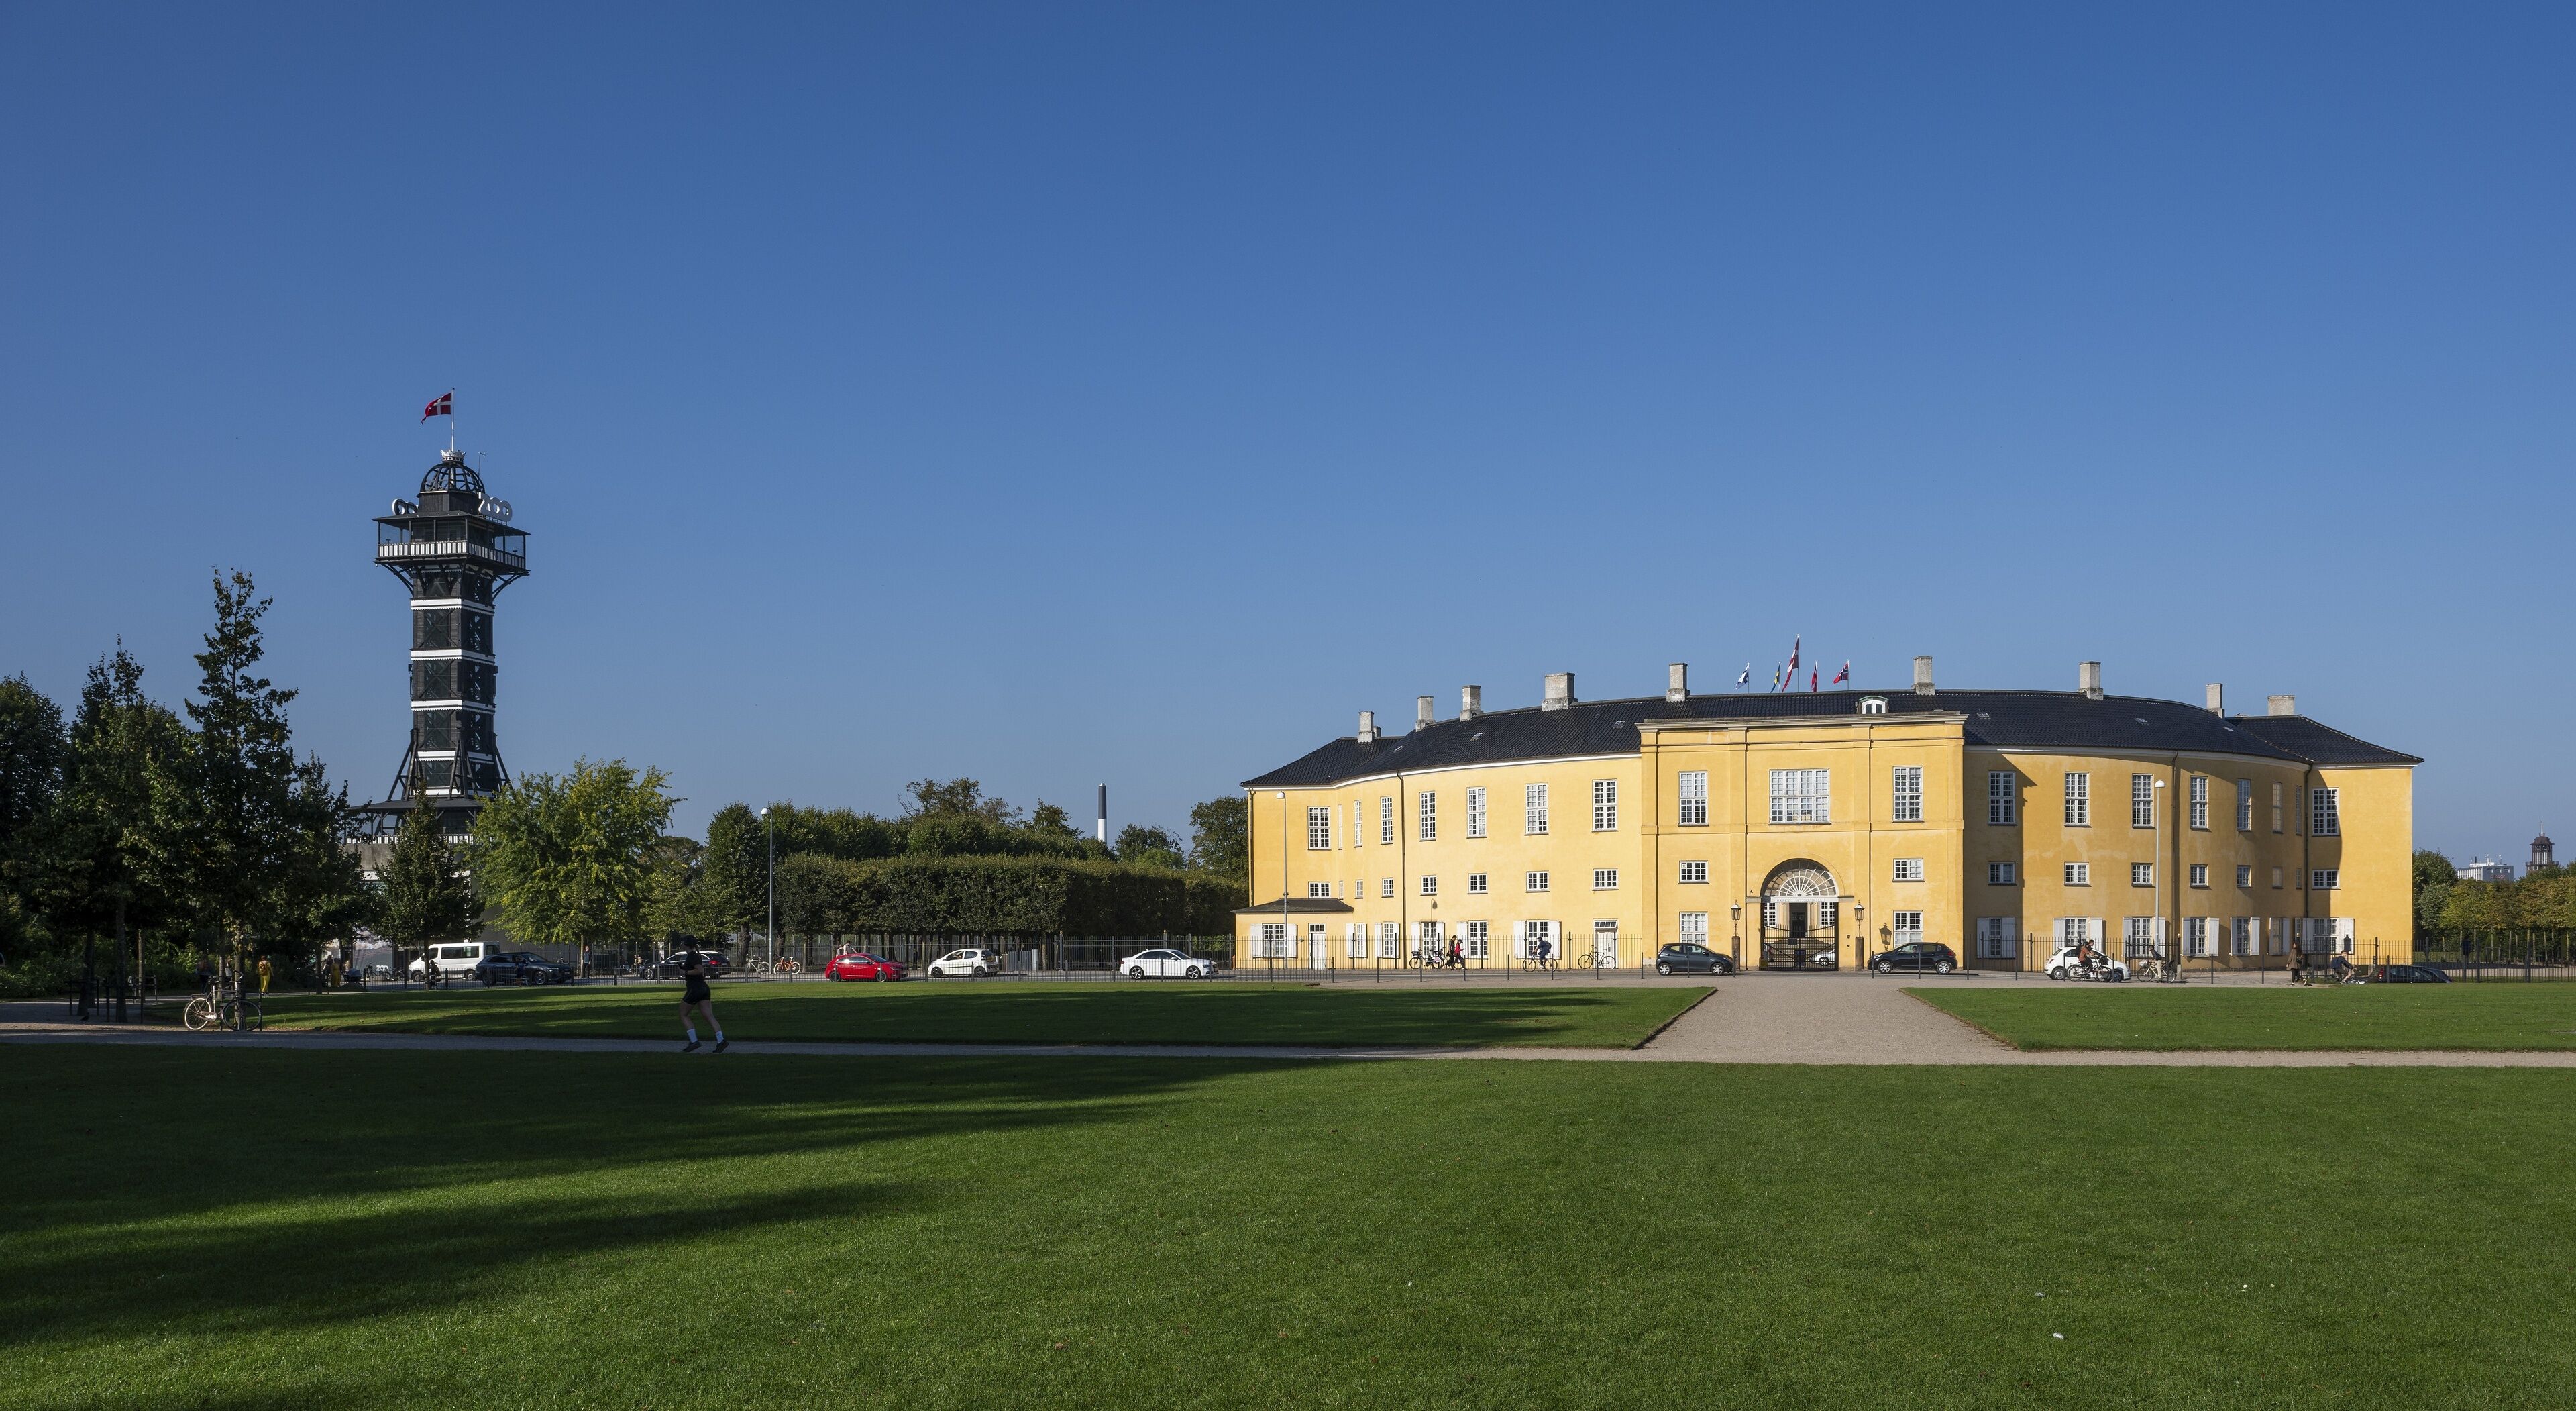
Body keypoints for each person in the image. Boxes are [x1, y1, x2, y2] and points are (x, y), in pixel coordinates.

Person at [680, 953, 726, 1053]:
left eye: (683, 942)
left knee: (683, 1015)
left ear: (687, 944)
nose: (681, 944)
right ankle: (721, 1040)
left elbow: (700, 970)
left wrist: (685, 972)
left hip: (695, 989)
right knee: (709, 1016)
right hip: (704, 988)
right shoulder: (696, 955)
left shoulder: (692, 956)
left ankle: (694, 1041)